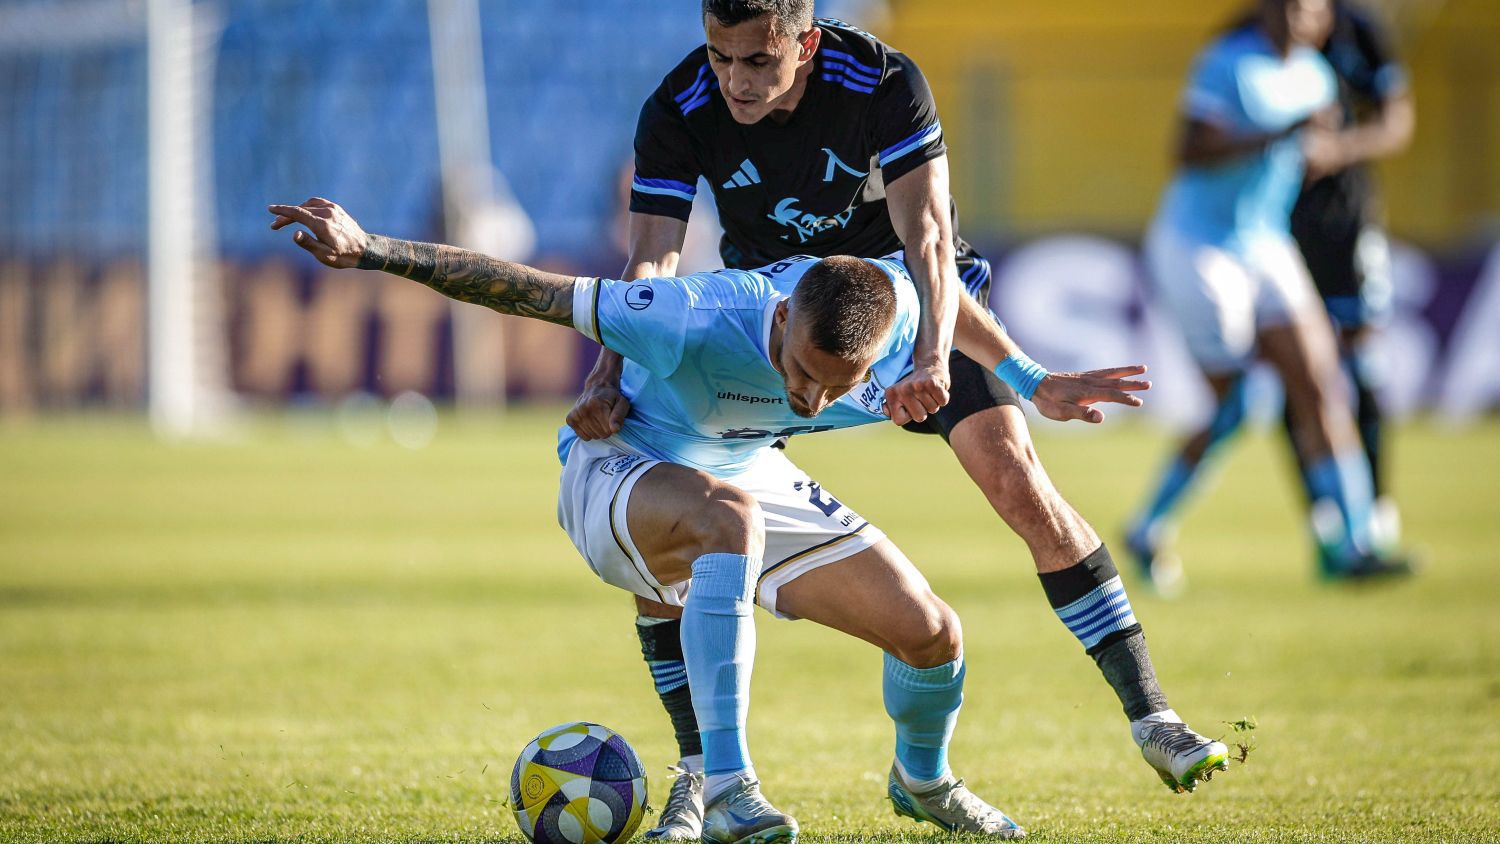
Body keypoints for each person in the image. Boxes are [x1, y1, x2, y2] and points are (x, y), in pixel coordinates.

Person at [268, 197, 1231, 843]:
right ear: (779, 322)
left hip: (740, 468)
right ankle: (727, 785)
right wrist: (372, 249)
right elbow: (527, 289)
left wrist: (1031, 378)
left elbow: (942, 301)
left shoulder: (890, 309)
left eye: (840, 386)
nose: (814, 399)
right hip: (618, 468)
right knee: (726, 519)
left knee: (933, 635)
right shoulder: (693, 314)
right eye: (803, 372)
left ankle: (924, 784)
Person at [567, 3, 1228, 835]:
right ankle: (700, 775)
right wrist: (609, 373)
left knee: (1019, 482)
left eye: (757, 61)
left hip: (913, 313)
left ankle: (1154, 717)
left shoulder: (880, 80)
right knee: (676, 470)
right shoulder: (680, 103)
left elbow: (928, 242)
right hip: (788, 326)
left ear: (805, 43)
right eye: (720, 56)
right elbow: (651, 262)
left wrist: (952, 362)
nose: (734, 80)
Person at [1127, 0, 1411, 592]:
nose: (1296, 16)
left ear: (1324, 18)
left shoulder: (1317, 75)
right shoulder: (1228, 63)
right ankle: (1147, 526)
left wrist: (1324, 151)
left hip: (1265, 243)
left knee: (1322, 384)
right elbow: (1188, 150)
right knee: (1233, 406)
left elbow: (1315, 153)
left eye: (1308, 8)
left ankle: (1358, 544)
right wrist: (1277, 135)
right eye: (1286, 6)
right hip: (1200, 245)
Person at [1288, 0, 1414, 555]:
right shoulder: (1248, 33)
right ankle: (1323, 513)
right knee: (1293, 370)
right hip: (1275, 227)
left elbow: (1395, 121)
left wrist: (1337, 149)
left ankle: (1376, 510)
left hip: (1347, 221)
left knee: (1362, 362)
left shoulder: (1358, 29)